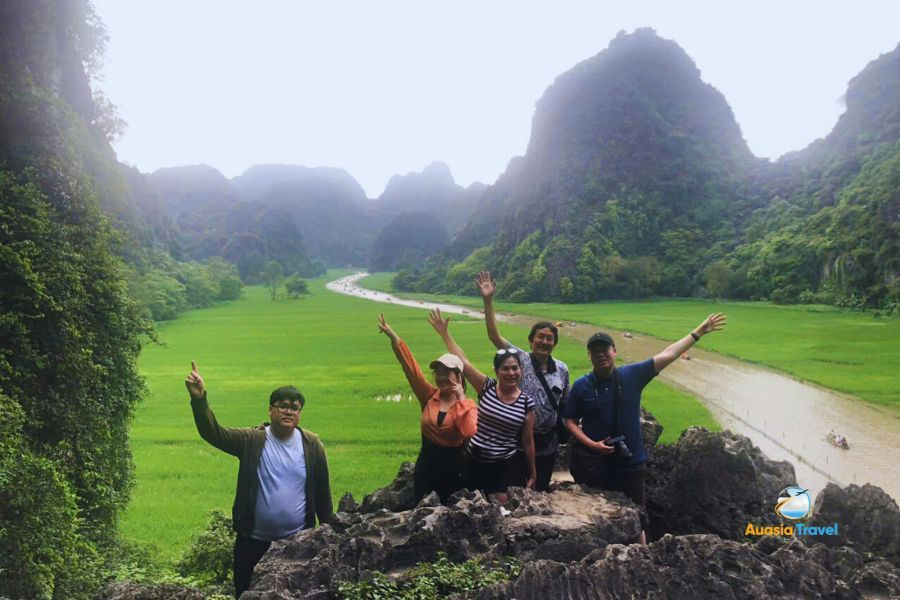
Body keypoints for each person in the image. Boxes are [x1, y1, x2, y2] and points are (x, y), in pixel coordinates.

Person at [565, 314, 727, 544]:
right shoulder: (582, 386)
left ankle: (641, 558)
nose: (601, 354)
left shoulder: (632, 375)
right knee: (597, 516)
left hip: (630, 462)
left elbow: (668, 355)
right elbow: (570, 420)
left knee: (637, 516)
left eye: (605, 349)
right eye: (595, 351)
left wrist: (698, 332)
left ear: (615, 351)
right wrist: (592, 444)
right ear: (589, 356)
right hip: (596, 463)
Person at [185, 361, 333, 598]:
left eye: (295, 408)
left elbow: (322, 494)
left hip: (296, 545)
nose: (289, 411)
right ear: (270, 410)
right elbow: (213, 433)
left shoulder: (312, 445)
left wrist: (329, 534)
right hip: (252, 543)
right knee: (246, 594)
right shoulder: (251, 440)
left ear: (300, 413)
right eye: (283, 406)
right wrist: (199, 399)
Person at [427, 308, 537, 503]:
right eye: (505, 369)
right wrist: (444, 334)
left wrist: (532, 472)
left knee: (502, 504)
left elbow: (528, 442)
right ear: (496, 370)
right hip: (474, 458)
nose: (511, 373)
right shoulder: (486, 386)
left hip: (505, 463)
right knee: (472, 505)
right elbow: (463, 361)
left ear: (521, 371)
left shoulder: (527, 403)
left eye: (515, 368)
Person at [475, 271, 570, 492]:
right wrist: (488, 300)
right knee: (513, 490)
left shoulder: (563, 370)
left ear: (554, 343)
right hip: (517, 443)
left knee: (539, 490)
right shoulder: (520, 359)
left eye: (549, 338)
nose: (544, 342)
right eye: (540, 337)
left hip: (548, 445)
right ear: (530, 340)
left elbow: (564, 404)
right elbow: (494, 337)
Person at [376, 313, 478, 503]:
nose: (441, 377)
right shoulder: (429, 395)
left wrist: (461, 398)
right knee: (423, 515)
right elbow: (410, 368)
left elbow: (469, 431)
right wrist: (394, 338)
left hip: (454, 471)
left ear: (459, 376)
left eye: (448, 373)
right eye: (438, 373)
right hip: (427, 467)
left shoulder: (467, 405)